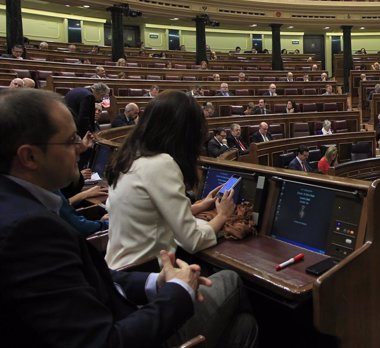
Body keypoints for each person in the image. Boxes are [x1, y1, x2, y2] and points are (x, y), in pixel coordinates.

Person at [0, 89, 256, 347]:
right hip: (130, 309)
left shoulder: (128, 156)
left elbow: (93, 278)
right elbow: (100, 341)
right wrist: (180, 290)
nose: (80, 148)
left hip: (125, 279)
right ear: (29, 156)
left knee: (242, 327)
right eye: (70, 140)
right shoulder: (28, 230)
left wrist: (156, 282)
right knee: (234, 283)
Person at [104, 91, 238, 269]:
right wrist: (223, 215)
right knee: (231, 279)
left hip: (118, 273)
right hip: (144, 279)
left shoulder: (129, 158)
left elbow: (150, 215)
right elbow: (193, 240)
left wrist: (198, 206)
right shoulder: (161, 163)